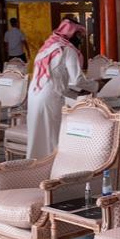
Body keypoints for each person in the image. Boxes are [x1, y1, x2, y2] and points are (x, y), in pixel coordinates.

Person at [26, 18, 100, 159]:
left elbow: (56, 79)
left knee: (37, 133)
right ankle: (52, 165)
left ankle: (35, 165)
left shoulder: (47, 48)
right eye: (79, 36)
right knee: (52, 133)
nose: (81, 40)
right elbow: (77, 79)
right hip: (50, 97)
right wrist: (96, 86)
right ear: (71, 34)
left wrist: (75, 94)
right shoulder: (67, 49)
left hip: (35, 95)